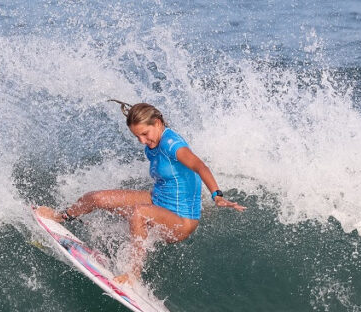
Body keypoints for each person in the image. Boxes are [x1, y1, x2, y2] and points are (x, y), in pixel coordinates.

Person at [37, 100, 245, 284]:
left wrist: (216, 195)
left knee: (139, 212)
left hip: (181, 221)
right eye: (137, 137)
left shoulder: (173, 145)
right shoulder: (152, 144)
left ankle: (132, 275)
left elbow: (200, 166)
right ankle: (62, 217)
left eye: (144, 134)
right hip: (159, 201)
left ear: (157, 123)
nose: (142, 141)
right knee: (97, 198)